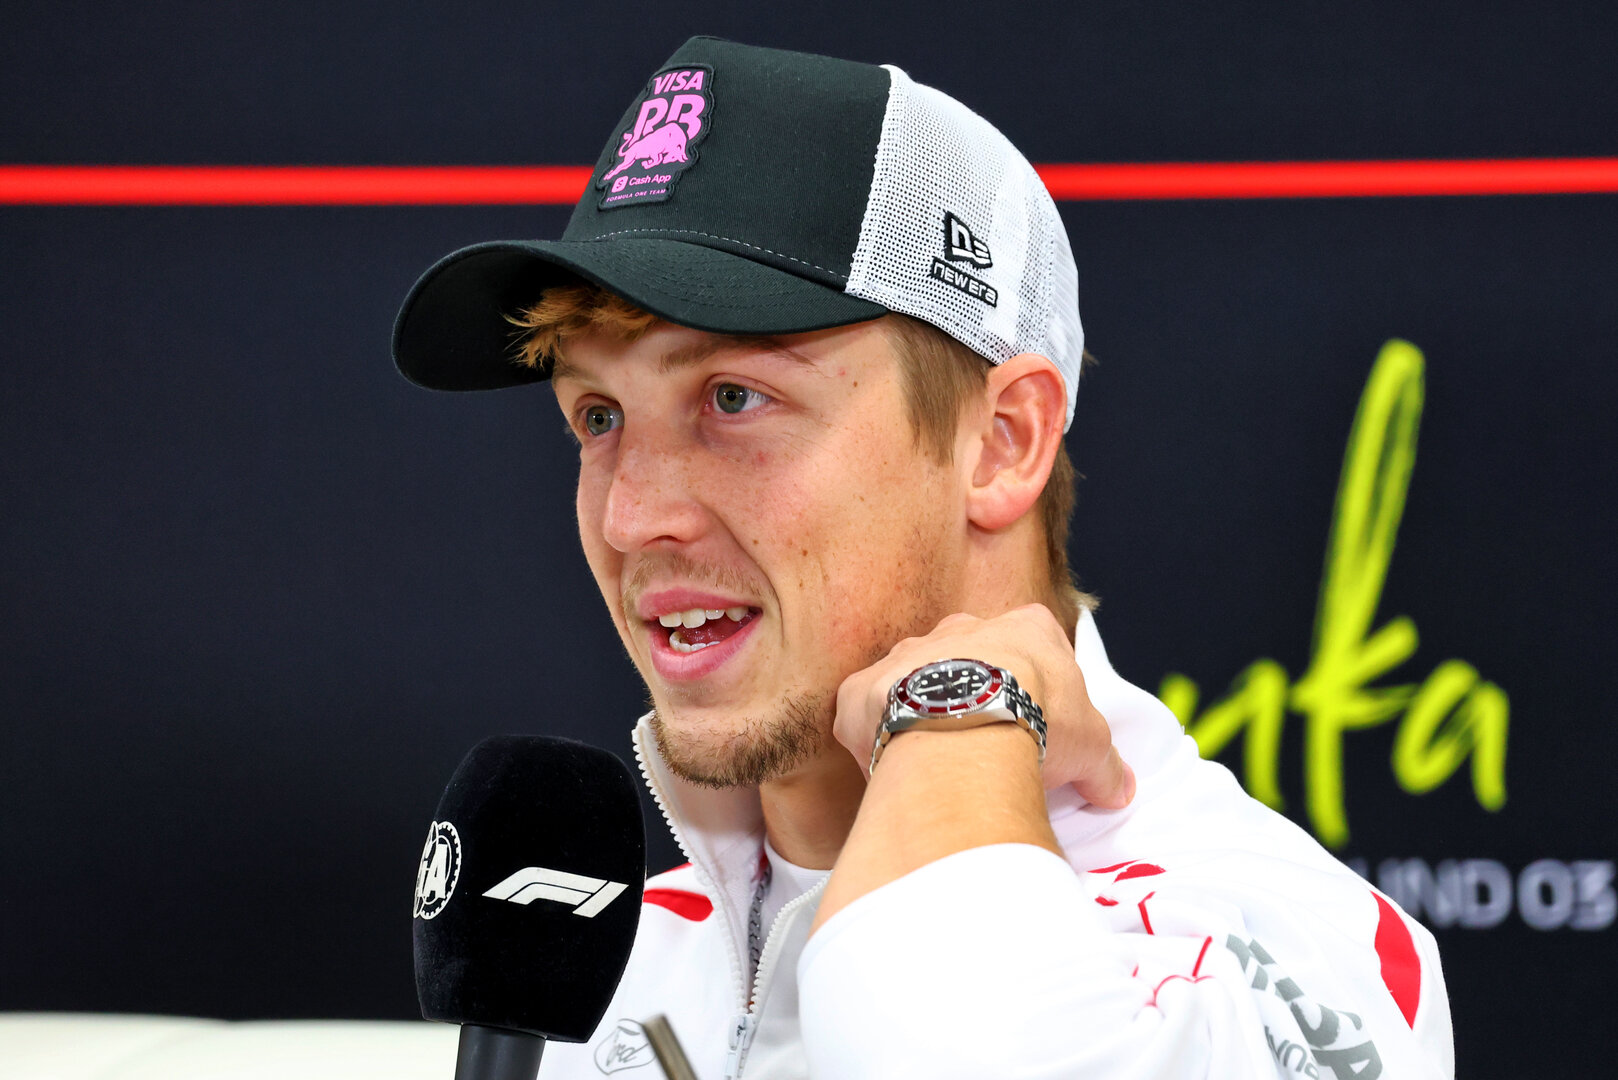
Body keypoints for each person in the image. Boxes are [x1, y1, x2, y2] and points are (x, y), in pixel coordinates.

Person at [393, 36, 1453, 1080]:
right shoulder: (617, 969)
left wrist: (955, 718)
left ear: (1002, 443)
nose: (630, 518)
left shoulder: (1286, 948)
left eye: (733, 398)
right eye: (599, 415)